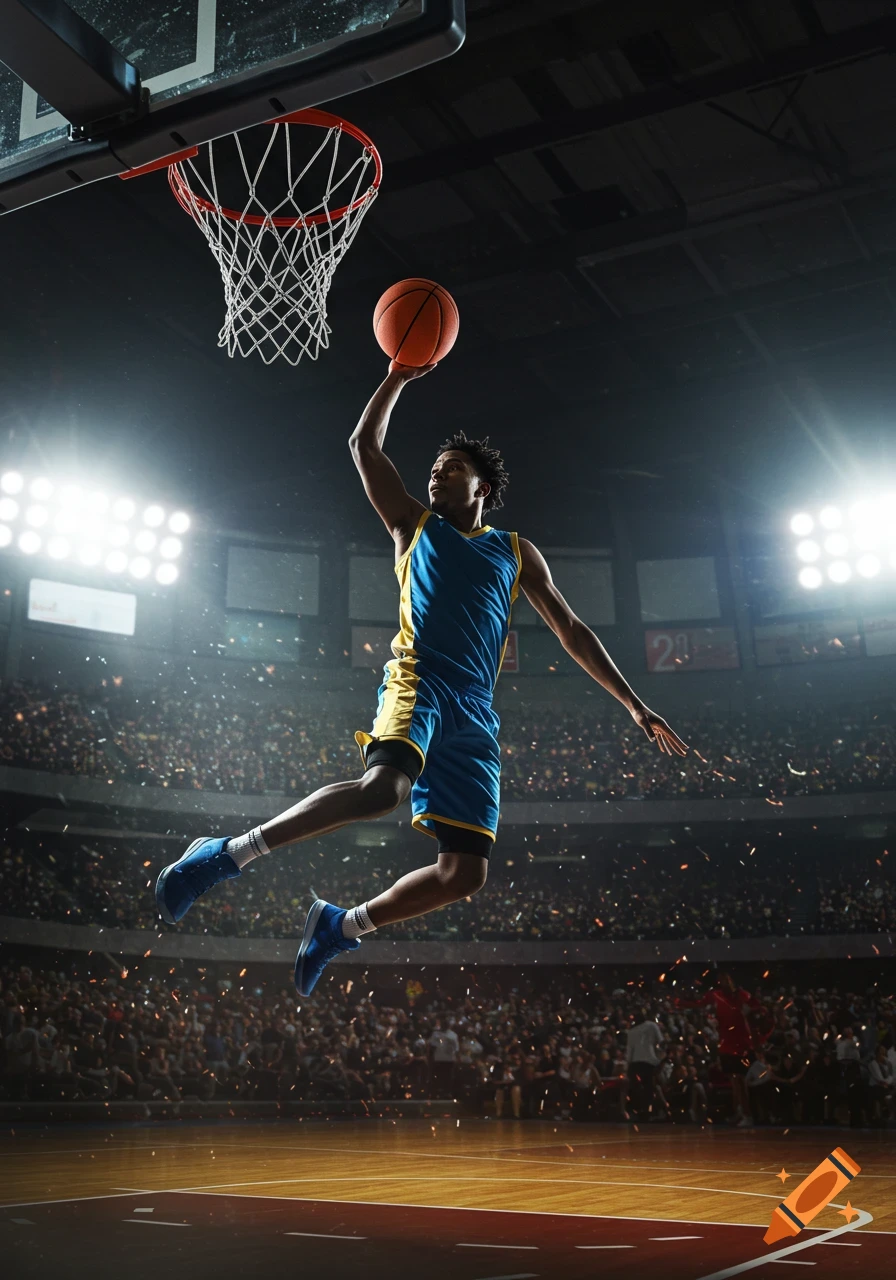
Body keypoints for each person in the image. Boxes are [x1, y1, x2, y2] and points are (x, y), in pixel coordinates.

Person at [155, 362, 688, 996]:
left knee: (464, 874)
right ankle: (223, 853)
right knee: (381, 792)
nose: (437, 471)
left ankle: (341, 925)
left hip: (475, 712)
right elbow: (363, 446)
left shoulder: (516, 551)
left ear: (482, 486)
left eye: (452, 466)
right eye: (434, 465)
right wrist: (397, 377)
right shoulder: (414, 525)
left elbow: (572, 630)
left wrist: (633, 703)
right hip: (420, 680)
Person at [676, 972, 763, 1126]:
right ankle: (739, 1112)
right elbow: (699, 1002)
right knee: (734, 1080)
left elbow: (756, 1010)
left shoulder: (742, 995)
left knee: (741, 1081)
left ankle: (748, 1115)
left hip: (741, 1044)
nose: (725, 982)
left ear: (732, 981)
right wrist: (681, 1003)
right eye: (722, 980)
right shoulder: (716, 995)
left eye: (728, 979)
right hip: (726, 1044)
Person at [625, 1007, 665, 1123]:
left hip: (635, 1063)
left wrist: (628, 1068)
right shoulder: (652, 1025)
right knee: (649, 1088)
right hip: (649, 1062)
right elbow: (661, 1042)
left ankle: (639, 1112)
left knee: (637, 1089)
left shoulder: (631, 1031)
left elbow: (629, 1051)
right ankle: (650, 1112)